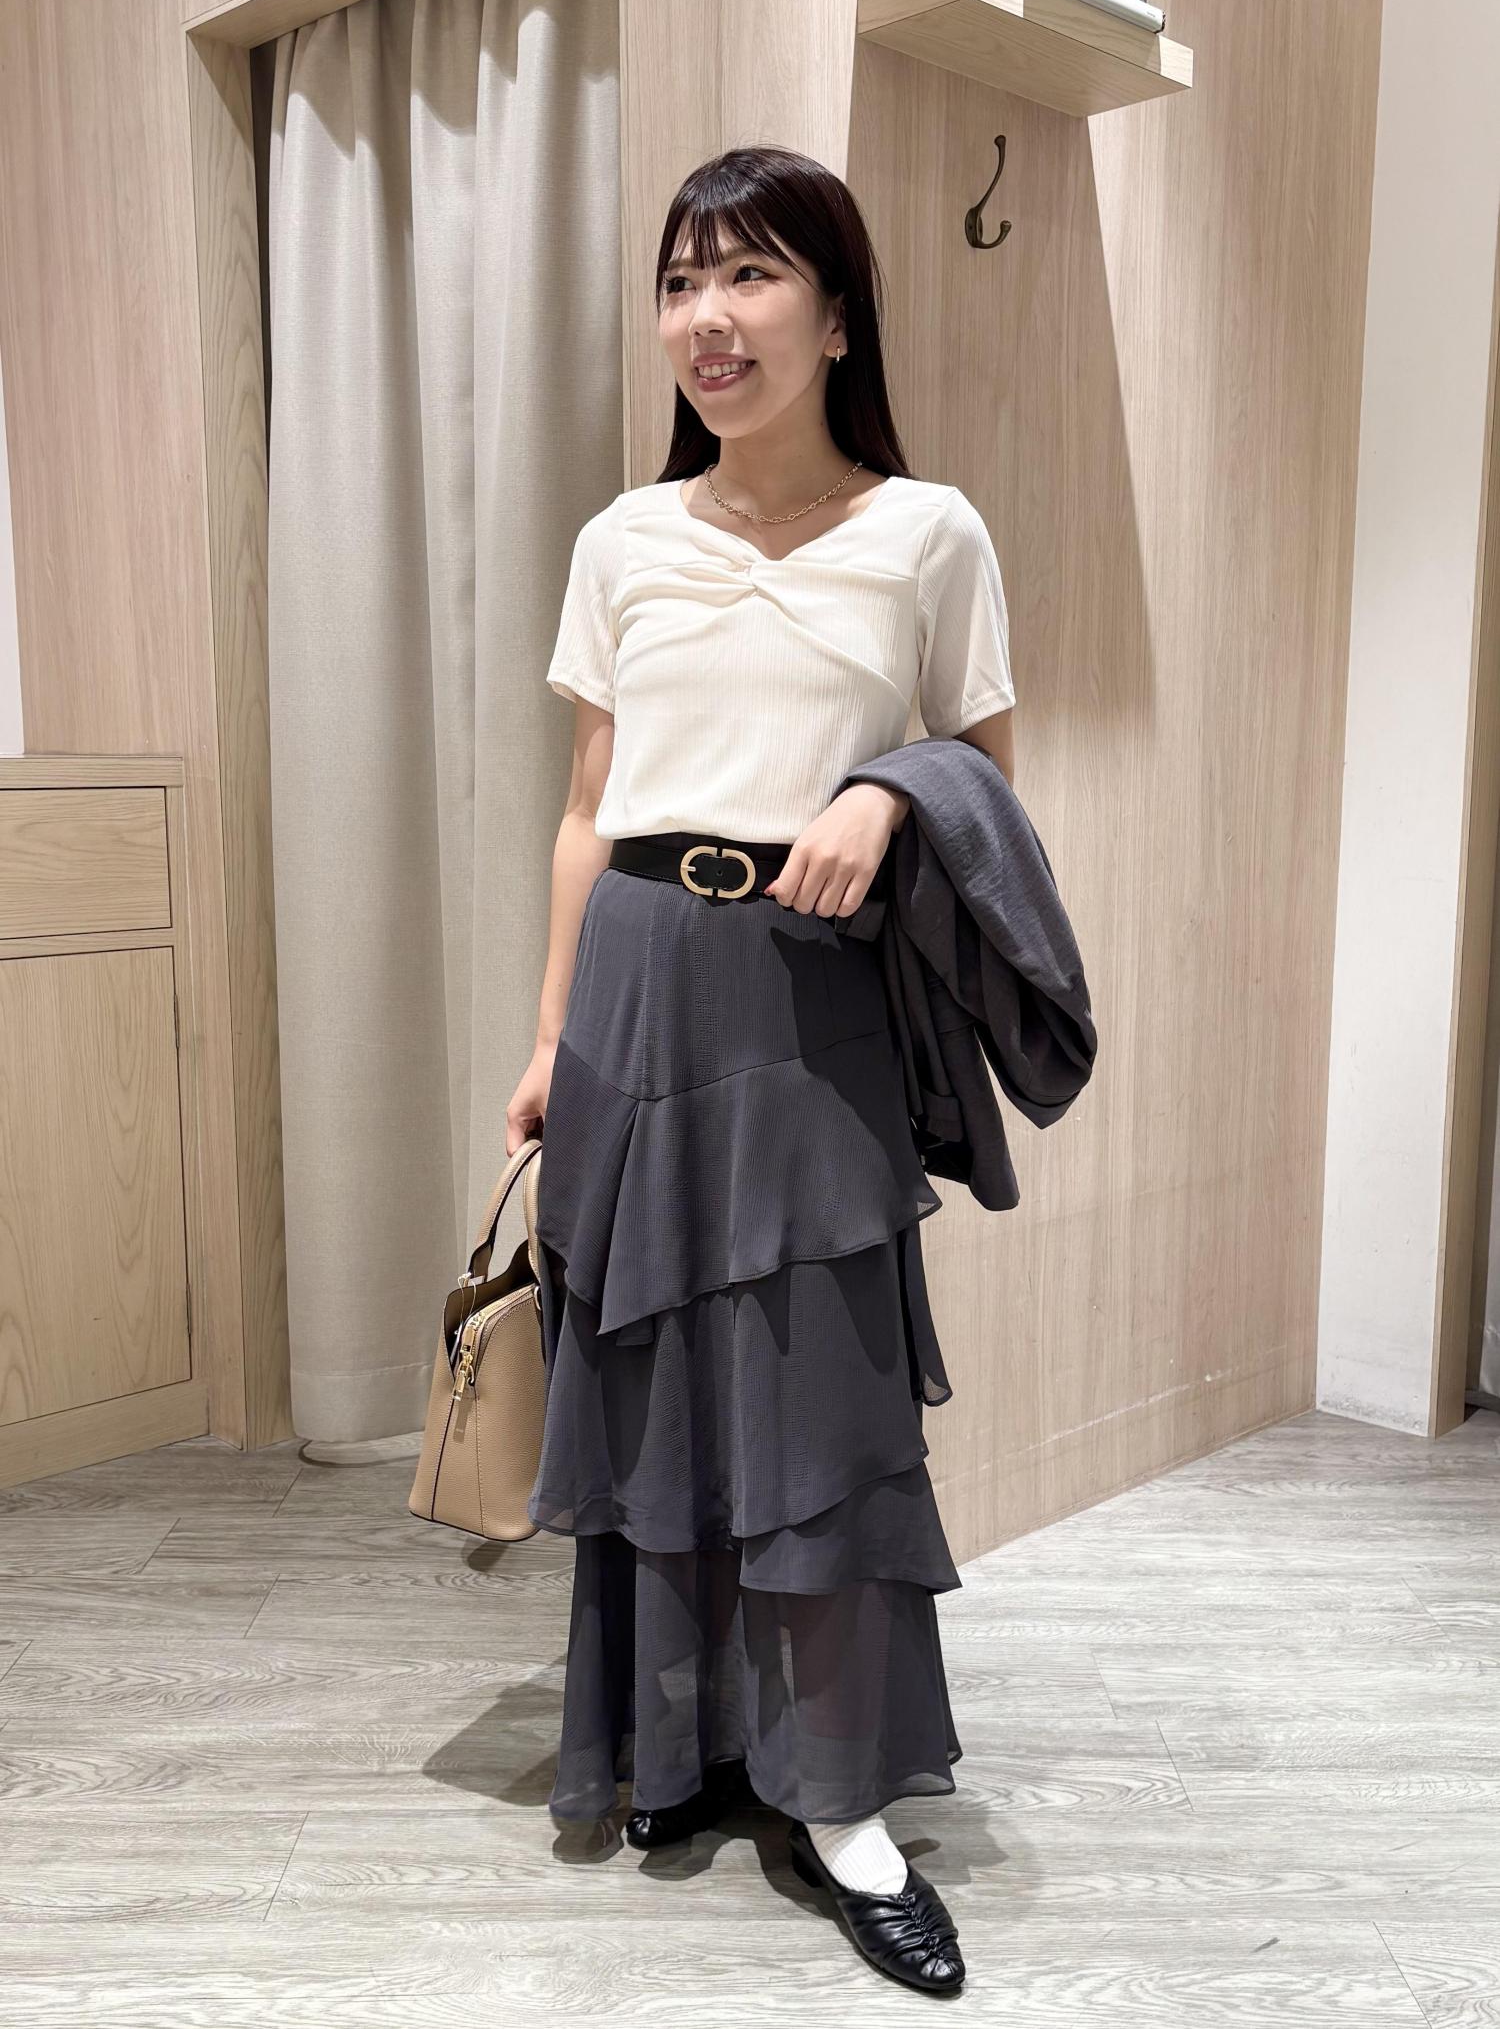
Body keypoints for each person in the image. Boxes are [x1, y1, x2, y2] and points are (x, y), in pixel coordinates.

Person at [503, 143, 1017, 1996]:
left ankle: (845, 1802)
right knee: (654, 1390)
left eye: (749, 276)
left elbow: (991, 788)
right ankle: (683, 1742)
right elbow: (587, 811)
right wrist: (549, 1037)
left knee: (820, 1402)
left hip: (812, 1003)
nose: (706, 320)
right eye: (680, 282)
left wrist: (887, 790)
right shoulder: (622, 541)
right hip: (641, 990)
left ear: (837, 316)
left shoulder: (929, 531)